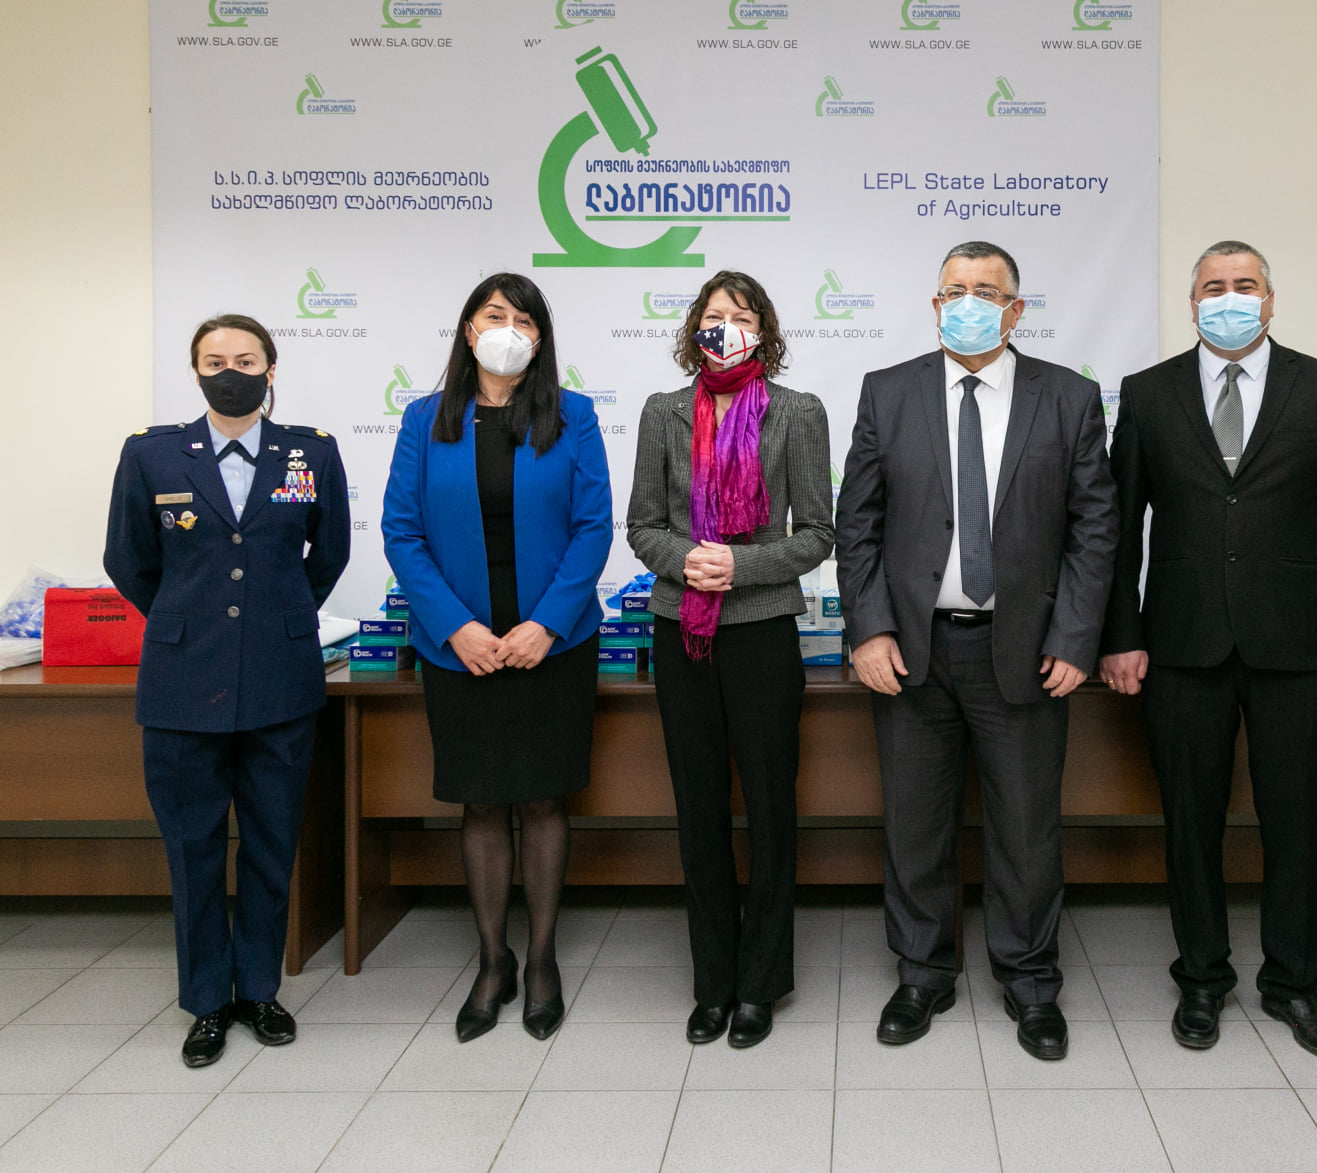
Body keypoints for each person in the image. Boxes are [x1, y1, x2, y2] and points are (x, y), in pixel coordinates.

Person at [1098, 240, 1317, 1060]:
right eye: (1213, 286)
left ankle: (1294, 982)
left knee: (1295, 823)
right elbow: (1117, 528)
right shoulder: (1148, 392)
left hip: (1299, 647)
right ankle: (1201, 977)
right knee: (1189, 823)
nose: (1229, 297)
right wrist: (1120, 635)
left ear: (1270, 298)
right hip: (1180, 644)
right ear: (1192, 302)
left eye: (1245, 284)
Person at [835, 241, 1118, 1060]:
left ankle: (1030, 982)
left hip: (1025, 651)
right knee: (915, 825)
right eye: (954, 290)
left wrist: (1075, 638)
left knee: (1026, 830)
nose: (968, 303)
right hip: (913, 651)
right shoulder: (888, 392)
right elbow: (858, 525)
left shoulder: (1068, 397)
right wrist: (869, 628)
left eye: (986, 292)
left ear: (1015, 309)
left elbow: (1095, 528)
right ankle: (922, 973)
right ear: (934, 305)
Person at [104, 314, 350, 1067]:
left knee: (271, 845)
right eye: (214, 361)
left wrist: (277, 616)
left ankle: (259, 990)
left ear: (270, 370)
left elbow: (329, 553)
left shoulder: (310, 452)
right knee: (194, 850)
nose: (230, 372)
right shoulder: (151, 454)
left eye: (245, 360)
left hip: (280, 678)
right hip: (183, 683)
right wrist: (189, 619)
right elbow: (128, 560)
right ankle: (207, 1001)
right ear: (196, 372)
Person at [383, 272, 613, 1043]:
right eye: (493, 315)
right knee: (481, 803)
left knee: (544, 801)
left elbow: (593, 526)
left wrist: (546, 623)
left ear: (540, 339)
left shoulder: (573, 416)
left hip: (553, 644)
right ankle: (492, 961)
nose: (507, 329)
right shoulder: (425, 420)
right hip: (462, 651)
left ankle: (541, 960)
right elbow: (401, 530)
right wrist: (455, 627)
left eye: (523, 319)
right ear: (468, 329)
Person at [628, 271, 834, 1049]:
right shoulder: (664, 411)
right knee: (699, 806)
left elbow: (818, 532)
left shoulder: (797, 412)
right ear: (694, 329)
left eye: (741, 315)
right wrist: (687, 560)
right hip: (682, 630)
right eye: (714, 315)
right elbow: (643, 525)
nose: (726, 327)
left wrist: (740, 566)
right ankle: (712, 981)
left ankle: (760, 982)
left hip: (762, 631)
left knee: (772, 808)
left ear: (764, 330)